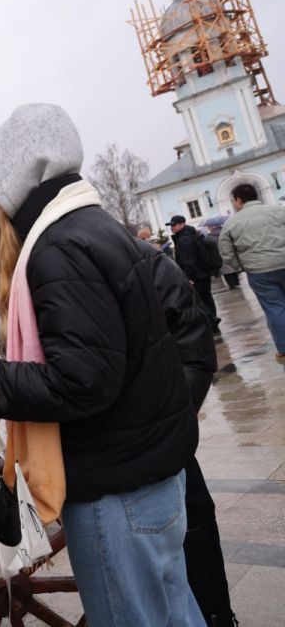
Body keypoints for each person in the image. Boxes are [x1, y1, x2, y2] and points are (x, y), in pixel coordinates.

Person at [0, 103, 205, 626]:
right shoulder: (95, 227)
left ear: (27, 169)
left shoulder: (59, 247)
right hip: (149, 472)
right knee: (175, 613)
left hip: (115, 489)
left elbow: (80, 381)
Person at [138, 238, 237, 627]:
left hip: (160, 427)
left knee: (193, 517)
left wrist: (173, 417)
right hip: (148, 431)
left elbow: (193, 343)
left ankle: (215, 613)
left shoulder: (143, 260)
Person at [219, 183, 285, 364]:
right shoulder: (279, 211)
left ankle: (284, 349)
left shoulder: (232, 223)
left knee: (275, 309)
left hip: (260, 271)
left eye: (234, 201)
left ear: (239, 200)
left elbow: (226, 253)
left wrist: (242, 266)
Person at [169, 214, 221, 332]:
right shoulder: (192, 234)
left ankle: (212, 320)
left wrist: (189, 277)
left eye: (174, 225)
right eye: (171, 225)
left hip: (196, 276)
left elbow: (189, 260)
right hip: (203, 273)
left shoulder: (184, 239)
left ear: (182, 224)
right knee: (206, 299)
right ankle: (213, 324)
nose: (172, 227)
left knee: (198, 301)